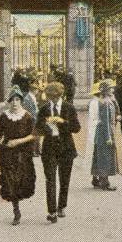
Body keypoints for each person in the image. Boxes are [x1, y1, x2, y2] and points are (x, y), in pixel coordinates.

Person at [35, 80, 80, 222]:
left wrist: (62, 121)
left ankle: (61, 206)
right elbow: (37, 129)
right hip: (49, 148)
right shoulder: (43, 109)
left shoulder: (69, 108)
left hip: (66, 148)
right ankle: (52, 211)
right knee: (50, 180)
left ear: (60, 96)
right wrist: (47, 126)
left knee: (64, 180)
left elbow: (76, 128)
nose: (53, 100)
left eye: (56, 97)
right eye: (50, 97)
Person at [0, 86, 36, 225]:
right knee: (10, 182)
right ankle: (16, 210)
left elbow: (34, 135)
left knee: (21, 182)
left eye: (17, 99)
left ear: (21, 101)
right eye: (12, 100)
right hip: (7, 154)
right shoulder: (4, 117)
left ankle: (17, 203)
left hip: (23, 155)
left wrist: (18, 141)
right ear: (9, 101)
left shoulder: (27, 116)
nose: (15, 102)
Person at [90, 80, 119, 190]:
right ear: (107, 90)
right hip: (105, 133)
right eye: (111, 88)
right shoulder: (106, 103)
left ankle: (97, 180)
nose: (113, 89)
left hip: (101, 133)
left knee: (100, 156)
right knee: (105, 157)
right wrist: (108, 137)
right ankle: (105, 183)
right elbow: (105, 121)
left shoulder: (105, 101)